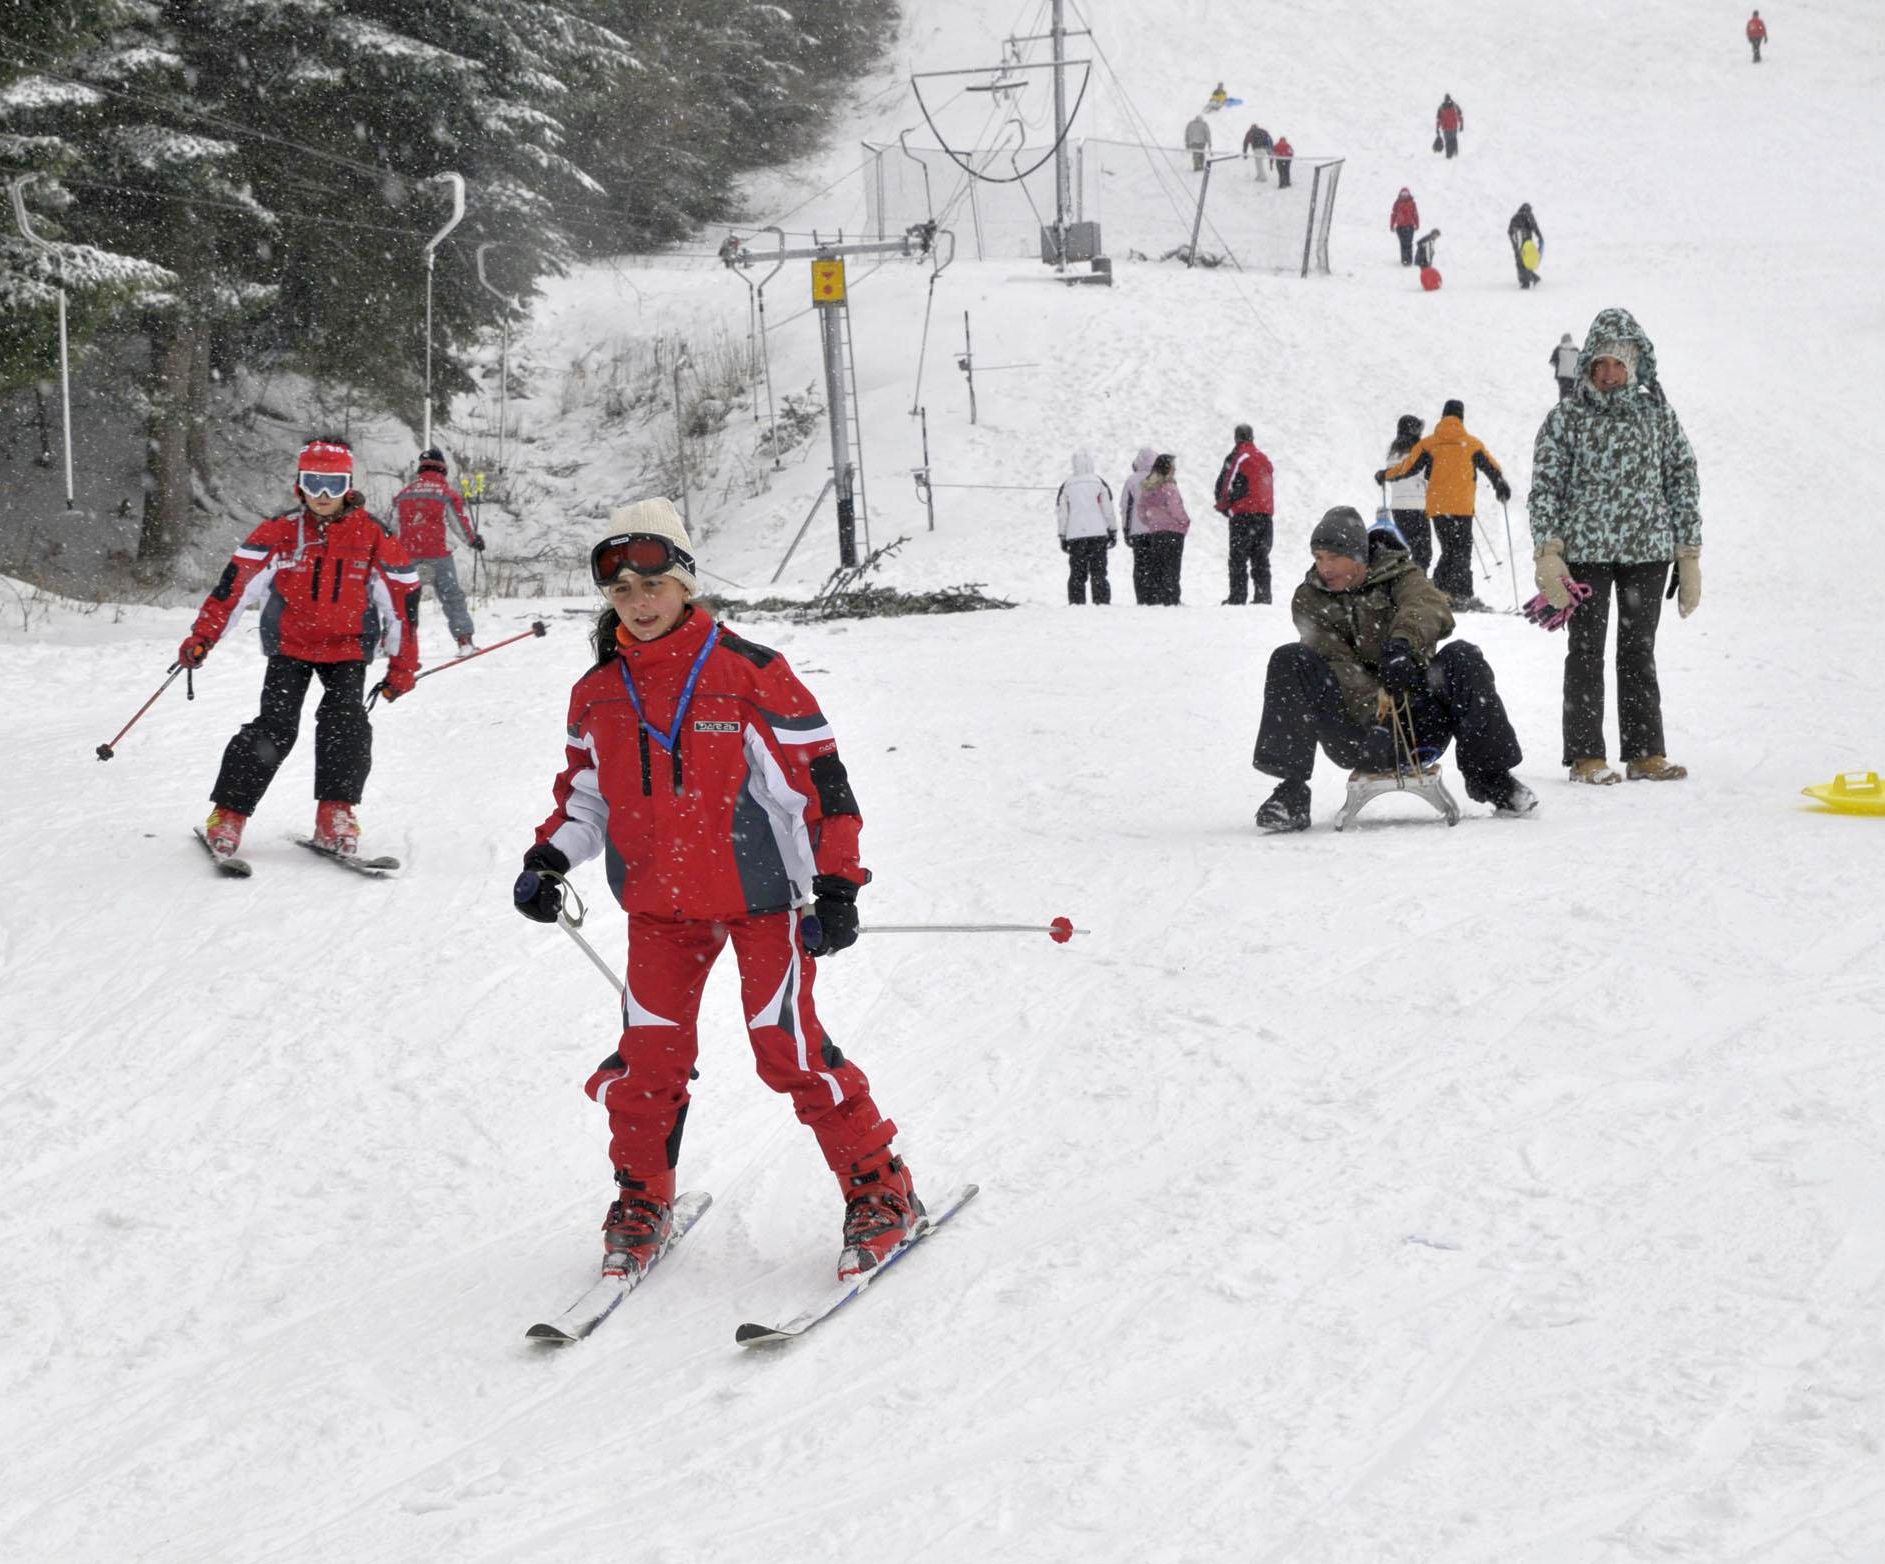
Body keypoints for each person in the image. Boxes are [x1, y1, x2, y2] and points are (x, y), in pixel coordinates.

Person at [512, 497, 922, 1283]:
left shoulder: (750, 674)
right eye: (621, 591)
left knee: (788, 1052)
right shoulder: (597, 692)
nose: (638, 603)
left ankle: (880, 1189)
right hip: (659, 912)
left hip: (764, 902)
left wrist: (835, 887)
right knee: (645, 1062)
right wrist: (549, 859)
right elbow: (584, 800)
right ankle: (642, 1197)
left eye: (652, 584)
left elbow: (821, 794)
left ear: (686, 584)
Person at [179, 437, 421, 860]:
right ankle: (229, 814)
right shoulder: (281, 532)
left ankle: (336, 813)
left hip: (347, 648)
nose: (322, 496)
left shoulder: (373, 535)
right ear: (299, 485)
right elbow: (235, 588)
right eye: (313, 483)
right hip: (290, 645)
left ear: (349, 485)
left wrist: (403, 665)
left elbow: (402, 604)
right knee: (274, 727)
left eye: (333, 484)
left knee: (345, 723)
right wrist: (204, 636)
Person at [1251, 507, 1533, 832]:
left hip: (1420, 723)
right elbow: (1336, 661)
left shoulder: (1401, 575)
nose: (1324, 567)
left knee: (1463, 657)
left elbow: (1428, 607)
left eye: (1333, 557)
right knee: (1290, 659)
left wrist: (1403, 647)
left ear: (1358, 555)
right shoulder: (1310, 599)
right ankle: (1291, 795)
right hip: (1358, 733)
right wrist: (1378, 719)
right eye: (1318, 557)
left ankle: (1492, 779)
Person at [1528, 308, 1703, 785]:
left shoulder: (1658, 415)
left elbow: (1682, 479)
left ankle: (1646, 754)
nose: (1608, 374)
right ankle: (1586, 756)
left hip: (1647, 551)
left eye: (1618, 364)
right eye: (1600, 363)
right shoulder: (1566, 419)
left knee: (1637, 649)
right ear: (1587, 365)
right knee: (1585, 652)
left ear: (1634, 365)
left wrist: (1688, 553)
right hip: (1584, 553)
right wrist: (1548, 550)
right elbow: (1546, 485)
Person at [1377, 399, 1510, 612]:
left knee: (1450, 548)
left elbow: (1407, 468)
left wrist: (1386, 475)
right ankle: (1460, 595)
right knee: (1460, 550)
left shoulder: (1429, 444)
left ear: (1443, 416)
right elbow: (1490, 466)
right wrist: (1500, 484)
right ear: (1461, 417)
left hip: (1438, 507)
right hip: (1462, 506)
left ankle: (1440, 591)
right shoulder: (1472, 443)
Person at [392, 446, 485, 655]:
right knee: (452, 597)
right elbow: (458, 524)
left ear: (421, 469)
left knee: (400, 600)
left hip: (408, 554)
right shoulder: (446, 494)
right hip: (438, 554)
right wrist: (473, 541)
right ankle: (464, 641)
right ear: (443, 469)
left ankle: (395, 645)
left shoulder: (404, 495)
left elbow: (391, 528)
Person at [1214, 424, 1275, 604]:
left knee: (1238, 558)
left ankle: (1238, 596)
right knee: (1261, 557)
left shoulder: (1238, 457)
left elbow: (1226, 484)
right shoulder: (1263, 458)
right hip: (1264, 515)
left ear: (1236, 437)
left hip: (1243, 515)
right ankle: (1263, 596)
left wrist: (1224, 506)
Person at [1056, 449, 1117, 605]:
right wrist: (1112, 529)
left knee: (1077, 573)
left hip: (1075, 535)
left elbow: (1062, 513)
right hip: (1098, 534)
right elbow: (1107, 509)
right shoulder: (1099, 482)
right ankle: (1101, 601)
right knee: (1099, 572)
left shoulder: (1067, 485)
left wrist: (1062, 535)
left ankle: (1077, 603)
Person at [1135, 453, 1192, 604]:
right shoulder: (1169, 487)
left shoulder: (1148, 487)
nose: (1175, 469)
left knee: (1157, 566)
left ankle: (1157, 598)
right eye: (1173, 467)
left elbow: (1140, 509)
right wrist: (1185, 521)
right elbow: (1175, 509)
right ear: (1168, 468)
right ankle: (1171, 598)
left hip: (1156, 532)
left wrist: (1151, 522)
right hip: (1173, 531)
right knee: (1172, 567)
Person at [1380, 414, 1432, 570]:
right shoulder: (1418, 453)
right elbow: (1427, 476)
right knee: (1423, 554)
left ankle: (1405, 581)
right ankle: (1418, 586)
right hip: (1417, 506)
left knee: (1405, 548)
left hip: (1398, 507)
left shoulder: (1393, 454)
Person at [1120, 446, 1158, 604]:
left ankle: (1142, 597)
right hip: (1158, 530)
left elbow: (1125, 507)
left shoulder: (1131, 481)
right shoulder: (1160, 478)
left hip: (1137, 531)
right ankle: (1156, 597)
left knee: (1140, 565)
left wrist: (1126, 530)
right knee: (1157, 564)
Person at [1508, 203, 1543, 289]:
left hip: (1515, 237)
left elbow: (1509, 231)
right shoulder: (1527, 214)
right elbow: (1534, 226)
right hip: (1524, 239)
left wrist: (1515, 244)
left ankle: (1525, 279)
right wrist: (1540, 237)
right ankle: (1526, 281)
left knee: (1520, 258)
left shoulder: (1515, 216)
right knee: (1526, 258)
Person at [1389, 188, 1420, 266]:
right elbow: (1393, 214)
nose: (1404, 196)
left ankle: (1409, 260)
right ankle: (1404, 260)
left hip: (1410, 226)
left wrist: (1417, 224)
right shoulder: (1397, 203)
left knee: (1409, 243)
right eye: (1403, 194)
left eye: (1406, 194)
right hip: (1400, 227)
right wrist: (1392, 225)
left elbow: (1415, 214)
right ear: (1400, 194)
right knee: (1403, 243)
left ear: (1409, 194)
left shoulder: (1412, 203)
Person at [1549, 332, 1580, 401]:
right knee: (1572, 393)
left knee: (1563, 393)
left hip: (1562, 376)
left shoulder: (1559, 348)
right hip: (1573, 375)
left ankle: (1563, 407)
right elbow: (1580, 362)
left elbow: (1552, 362)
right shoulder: (1576, 349)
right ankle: (1571, 407)